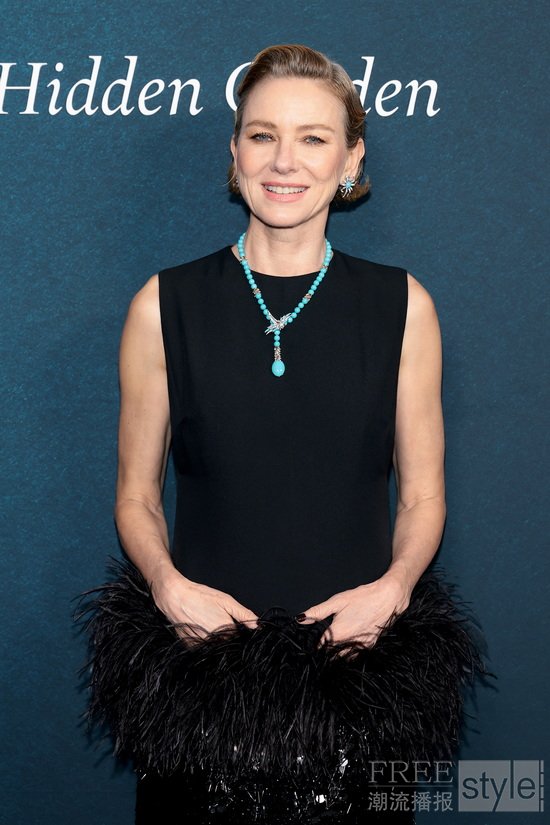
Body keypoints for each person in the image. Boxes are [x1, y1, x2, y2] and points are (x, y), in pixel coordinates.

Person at [80, 44, 489, 825]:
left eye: (313, 137)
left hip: (359, 682)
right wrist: (168, 587)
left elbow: (423, 496)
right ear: (234, 151)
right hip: (201, 690)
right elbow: (136, 496)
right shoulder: (161, 306)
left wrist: (393, 590)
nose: (284, 160)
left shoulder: (404, 307)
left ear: (350, 159)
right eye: (262, 134)